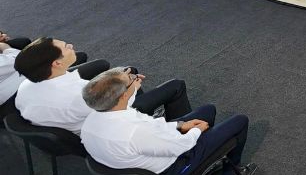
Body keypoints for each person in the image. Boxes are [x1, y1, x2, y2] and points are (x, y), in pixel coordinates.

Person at [80, 68, 256, 175]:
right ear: (123, 95)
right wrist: (196, 131)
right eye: (132, 79)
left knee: (207, 110)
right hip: (175, 169)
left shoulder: (91, 122)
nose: (136, 78)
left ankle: (210, 157)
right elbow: (181, 146)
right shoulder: (135, 132)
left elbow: (152, 128)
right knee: (239, 122)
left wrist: (178, 125)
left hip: (147, 158)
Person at [13, 37, 190, 133]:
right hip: (110, 122)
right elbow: (116, 109)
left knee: (125, 70)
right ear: (56, 64)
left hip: (76, 118)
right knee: (176, 86)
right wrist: (131, 88)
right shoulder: (77, 95)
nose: (71, 45)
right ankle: (181, 129)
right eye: (66, 47)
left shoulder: (25, 87)